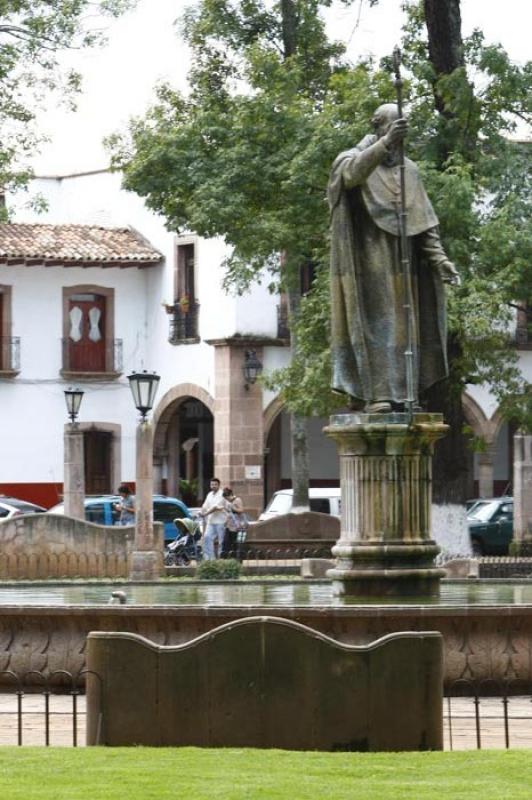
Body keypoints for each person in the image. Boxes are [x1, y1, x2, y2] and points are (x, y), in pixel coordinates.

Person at [328, 103, 460, 413]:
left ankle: (405, 393)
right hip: (368, 265)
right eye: (392, 131)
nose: (399, 141)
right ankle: (375, 395)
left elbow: (424, 221)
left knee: (405, 329)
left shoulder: (409, 170)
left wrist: (440, 260)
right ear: (378, 128)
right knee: (377, 324)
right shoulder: (350, 159)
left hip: (405, 264)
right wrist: (384, 144)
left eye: (403, 134)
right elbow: (350, 176)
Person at [199, 477, 226, 560]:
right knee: (207, 537)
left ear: (219, 485)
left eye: (215, 485)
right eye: (212, 484)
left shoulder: (222, 494)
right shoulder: (209, 494)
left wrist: (205, 514)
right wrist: (200, 512)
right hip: (211, 521)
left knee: (221, 541)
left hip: (221, 521)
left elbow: (215, 507)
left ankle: (221, 558)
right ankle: (210, 559)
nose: (213, 486)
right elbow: (205, 506)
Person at [221, 487, 246, 559]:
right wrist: (226, 522)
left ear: (230, 495)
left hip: (237, 526)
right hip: (229, 526)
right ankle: (226, 559)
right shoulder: (229, 502)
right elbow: (229, 514)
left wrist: (232, 508)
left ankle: (237, 559)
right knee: (226, 543)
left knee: (236, 544)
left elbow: (241, 510)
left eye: (227, 498)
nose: (227, 500)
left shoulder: (237, 500)